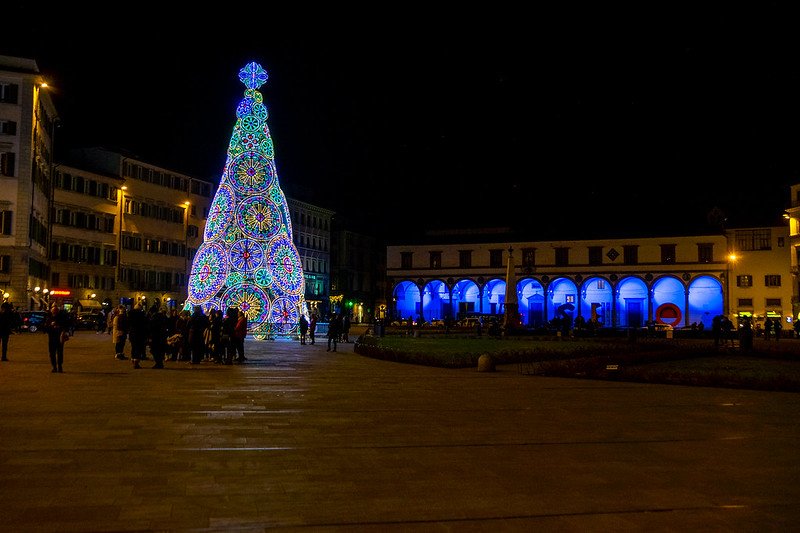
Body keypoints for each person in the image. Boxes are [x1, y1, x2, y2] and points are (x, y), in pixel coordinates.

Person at [44, 304, 70, 373]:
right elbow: (45, 329)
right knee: (52, 353)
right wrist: (50, 326)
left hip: (59, 338)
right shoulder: (49, 319)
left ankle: (59, 366)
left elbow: (65, 326)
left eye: (55, 311)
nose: (54, 312)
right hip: (52, 338)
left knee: (59, 353)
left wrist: (58, 327)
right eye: (53, 311)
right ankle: (54, 367)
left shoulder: (61, 318)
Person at [128, 303, 148, 369]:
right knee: (138, 348)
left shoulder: (130, 314)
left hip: (132, 333)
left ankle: (133, 360)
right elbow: (144, 324)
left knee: (133, 347)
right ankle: (136, 362)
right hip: (139, 333)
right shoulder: (141, 314)